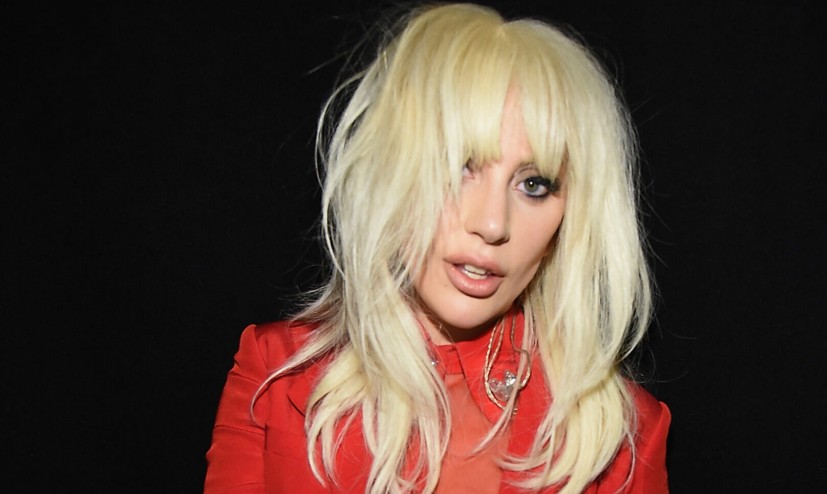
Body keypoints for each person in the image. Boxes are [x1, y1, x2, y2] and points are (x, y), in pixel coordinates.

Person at [205, 3, 670, 493]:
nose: (491, 224)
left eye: (533, 185)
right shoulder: (275, 376)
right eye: (459, 167)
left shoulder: (621, 434)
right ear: (392, 169)